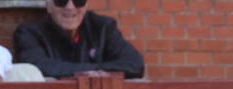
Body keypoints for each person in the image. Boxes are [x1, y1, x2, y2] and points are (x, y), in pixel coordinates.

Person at [13, 0, 144, 79]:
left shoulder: (103, 27)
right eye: (61, 0)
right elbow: (36, 67)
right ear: (48, 5)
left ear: (86, 5)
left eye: (78, 0)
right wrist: (93, 72)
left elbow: (135, 64)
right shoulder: (29, 33)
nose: (70, 7)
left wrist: (92, 72)